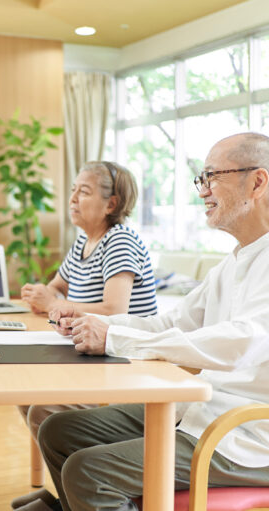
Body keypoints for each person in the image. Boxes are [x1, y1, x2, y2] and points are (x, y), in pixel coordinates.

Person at [16, 132, 269, 511]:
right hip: (201, 411)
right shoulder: (231, 264)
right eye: (201, 179)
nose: (202, 190)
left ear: (258, 181)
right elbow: (172, 322)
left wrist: (116, 339)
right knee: (57, 430)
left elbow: (244, 343)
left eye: (212, 176)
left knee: (88, 471)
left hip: (245, 436)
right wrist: (103, 329)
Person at [17, 161, 157, 441]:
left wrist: (53, 304)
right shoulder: (83, 242)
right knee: (25, 393)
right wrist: (45, 297)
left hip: (125, 360)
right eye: (73, 190)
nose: (72, 199)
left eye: (83, 191)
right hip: (91, 353)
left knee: (42, 410)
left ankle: (73, 481)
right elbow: (56, 288)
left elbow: (114, 309)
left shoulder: (119, 241)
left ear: (111, 204)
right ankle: (61, 485)